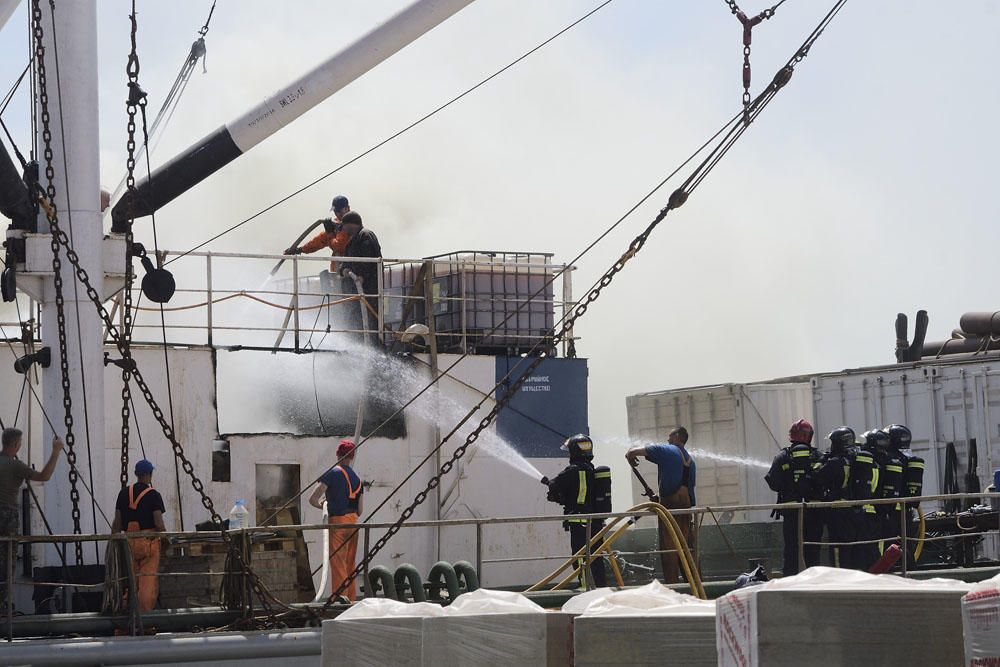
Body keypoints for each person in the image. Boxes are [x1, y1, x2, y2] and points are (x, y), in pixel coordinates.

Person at [0, 429, 63, 609]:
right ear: (15, 444)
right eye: (19, 443)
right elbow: (44, 476)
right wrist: (56, 451)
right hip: (7, 518)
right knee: (7, 566)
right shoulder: (16, 466)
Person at [625, 426, 696, 584]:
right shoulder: (691, 461)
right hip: (686, 512)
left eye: (670, 436)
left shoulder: (668, 450)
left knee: (669, 553)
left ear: (677, 436)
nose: (668, 439)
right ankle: (695, 588)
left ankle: (673, 589)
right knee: (687, 552)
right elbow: (689, 492)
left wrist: (630, 454)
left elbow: (636, 451)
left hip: (670, 509)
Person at [542, 434, 608, 588]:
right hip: (596, 522)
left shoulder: (572, 471)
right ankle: (601, 586)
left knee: (579, 556)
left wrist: (550, 484)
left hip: (579, 523)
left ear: (573, 452)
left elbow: (556, 486)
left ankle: (584, 586)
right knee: (596, 556)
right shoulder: (592, 470)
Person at [764, 419, 821, 576]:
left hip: (791, 513)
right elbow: (825, 481)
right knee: (813, 550)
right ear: (808, 436)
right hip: (814, 512)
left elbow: (773, 482)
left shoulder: (782, 456)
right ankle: (814, 582)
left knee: (791, 550)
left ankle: (791, 581)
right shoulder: (818, 456)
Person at [310, 439, 364, 601]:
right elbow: (360, 510)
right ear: (352, 457)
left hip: (338, 524)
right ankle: (352, 600)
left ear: (337, 454)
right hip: (353, 523)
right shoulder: (358, 480)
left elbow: (312, 499)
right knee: (350, 563)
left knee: (338, 563)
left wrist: (324, 506)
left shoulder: (332, 473)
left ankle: (340, 600)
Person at [111, 459, 167, 612]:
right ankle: (144, 621)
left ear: (135, 474)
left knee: (131, 583)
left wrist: (114, 544)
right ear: (150, 475)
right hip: (148, 544)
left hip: (128, 543)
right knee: (147, 584)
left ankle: (125, 619)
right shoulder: (154, 495)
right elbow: (159, 523)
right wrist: (167, 539)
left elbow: (116, 524)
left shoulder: (123, 493)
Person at [812, 427, 856, 569]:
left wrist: (820, 461)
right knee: (849, 548)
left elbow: (816, 478)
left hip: (837, 511)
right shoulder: (854, 460)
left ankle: (839, 576)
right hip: (851, 509)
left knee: (836, 548)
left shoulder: (834, 462)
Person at [284, 194, 352, 281]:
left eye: (339, 211)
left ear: (347, 208)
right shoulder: (337, 226)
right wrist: (300, 249)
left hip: (350, 271)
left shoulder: (350, 225)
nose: (336, 213)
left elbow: (338, 247)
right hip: (339, 271)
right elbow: (319, 241)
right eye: (335, 211)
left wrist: (330, 233)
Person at [338, 212, 382, 343]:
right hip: (357, 292)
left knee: (369, 320)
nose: (343, 230)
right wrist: (342, 270)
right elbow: (347, 261)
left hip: (368, 291)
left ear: (351, 224)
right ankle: (360, 343)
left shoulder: (365, 236)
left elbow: (369, 260)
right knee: (358, 320)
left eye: (344, 226)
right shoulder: (354, 240)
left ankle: (373, 345)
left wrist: (361, 276)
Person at [850, 430, 883, 570]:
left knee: (864, 547)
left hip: (863, 511)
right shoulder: (877, 463)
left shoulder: (862, 463)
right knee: (873, 546)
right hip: (874, 510)